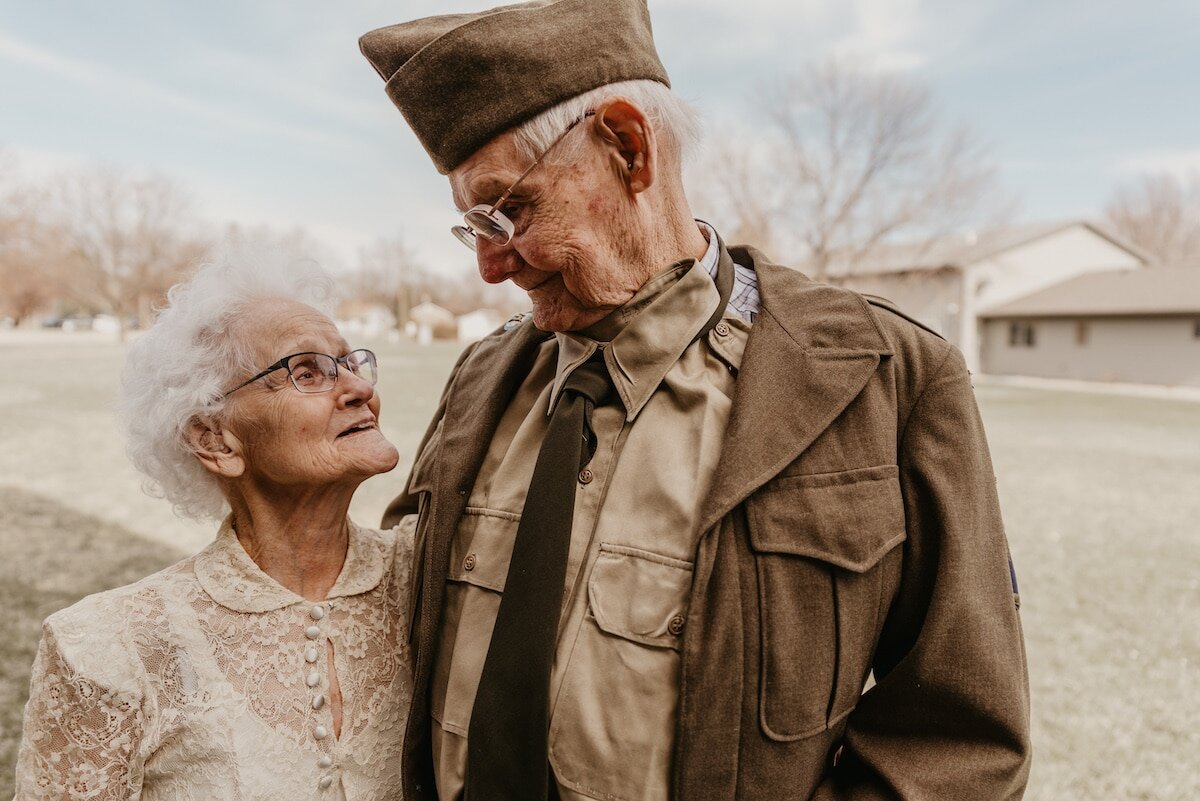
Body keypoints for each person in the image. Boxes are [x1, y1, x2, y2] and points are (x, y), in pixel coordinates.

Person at [359, 1, 1031, 799]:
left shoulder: (886, 379)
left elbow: (962, 742)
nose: (491, 268)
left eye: (509, 211)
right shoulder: (479, 378)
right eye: (474, 226)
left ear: (627, 148)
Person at [13, 249, 415, 800]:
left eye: (350, 363)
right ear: (215, 440)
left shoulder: (435, 574)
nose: (359, 389)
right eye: (307, 371)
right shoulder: (108, 648)